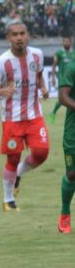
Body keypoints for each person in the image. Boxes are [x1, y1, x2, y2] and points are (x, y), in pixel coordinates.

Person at [0, 22, 49, 212]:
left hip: (34, 116)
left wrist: (43, 87)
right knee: (12, 159)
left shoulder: (37, 55)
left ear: (28, 35)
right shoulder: (1, 62)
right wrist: (4, 90)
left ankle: (19, 173)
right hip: (12, 119)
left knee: (41, 152)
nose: (19, 38)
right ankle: (8, 200)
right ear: (8, 38)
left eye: (22, 33)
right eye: (14, 34)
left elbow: (38, 75)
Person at [55, 55, 75, 233]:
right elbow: (63, 97)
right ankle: (65, 214)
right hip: (73, 132)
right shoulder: (71, 67)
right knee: (72, 173)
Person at [49, 35, 72, 124]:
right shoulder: (59, 53)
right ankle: (53, 112)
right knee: (62, 99)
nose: (66, 43)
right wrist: (53, 78)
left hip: (72, 79)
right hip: (63, 80)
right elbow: (54, 65)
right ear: (62, 43)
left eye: (68, 41)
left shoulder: (73, 54)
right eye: (65, 41)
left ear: (71, 42)